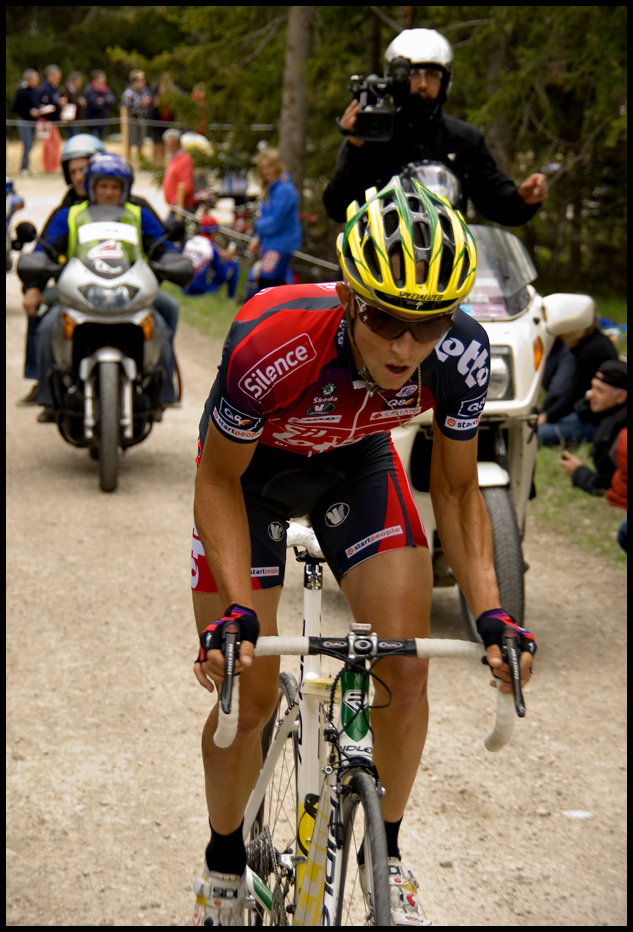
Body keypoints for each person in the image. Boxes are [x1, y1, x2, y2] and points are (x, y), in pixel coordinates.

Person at [190, 176, 536, 926]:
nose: (407, 346)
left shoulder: (462, 355)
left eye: (431, 322)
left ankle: (389, 853)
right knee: (244, 691)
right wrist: (240, 612)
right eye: (385, 319)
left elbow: (454, 492)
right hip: (249, 483)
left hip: (357, 467)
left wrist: (492, 617)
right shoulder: (273, 336)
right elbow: (216, 478)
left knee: (404, 668)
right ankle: (222, 865)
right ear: (349, 297)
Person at [323, 28, 547, 225]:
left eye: (431, 75)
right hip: (377, 264)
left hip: (444, 264)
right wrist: (355, 148)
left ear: (445, 81)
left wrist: (521, 198)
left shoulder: (464, 139)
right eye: (413, 75)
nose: (422, 84)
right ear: (393, 79)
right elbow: (338, 208)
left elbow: (495, 201)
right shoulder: (372, 134)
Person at [17, 134, 179, 406]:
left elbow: (162, 245)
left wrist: (174, 260)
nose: (108, 191)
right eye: (101, 185)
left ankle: (160, 388)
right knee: (47, 327)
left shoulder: (138, 211)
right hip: (79, 288)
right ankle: (47, 391)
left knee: (164, 316)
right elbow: (44, 248)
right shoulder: (69, 212)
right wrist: (33, 282)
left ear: (124, 187)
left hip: (131, 288)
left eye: (114, 186)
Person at [537, 314, 618, 445]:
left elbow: (572, 395)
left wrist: (546, 417)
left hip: (594, 422)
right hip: (588, 414)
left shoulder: (590, 352)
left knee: (535, 434)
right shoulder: (598, 341)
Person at [558, 360, 627, 494]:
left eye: (599, 391)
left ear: (620, 397)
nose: (590, 394)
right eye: (593, 387)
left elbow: (608, 487)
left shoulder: (613, 431)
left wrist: (579, 473)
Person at [245, 148, 302, 297]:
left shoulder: (285, 190)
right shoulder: (270, 190)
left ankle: (268, 314)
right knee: (275, 282)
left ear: (277, 166)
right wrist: (257, 238)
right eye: (263, 168)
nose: (266, 171)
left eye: (269, 167)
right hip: (271, 243)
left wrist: (257, 226)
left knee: (267, 280)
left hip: (281, 244)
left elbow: (274, 222)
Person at [182, 214, 239, 298]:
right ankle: (231, 297)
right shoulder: (211, 247)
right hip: (199, 290)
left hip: (183, 287)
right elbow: (222, 274)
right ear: (213, 231)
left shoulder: (191, 241)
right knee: (234, 263)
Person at [37, 65, 65, 173]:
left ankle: (53, 166)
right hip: (45, 121)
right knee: (48, 144)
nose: (59, 77)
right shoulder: (45, 88)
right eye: (57, 75)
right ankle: (49, 167)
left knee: (55, 143)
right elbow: (43, 104)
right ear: (50, 75)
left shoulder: (53, 88)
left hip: (52, 121)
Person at [12, 69, 41, 175]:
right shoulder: (21, 91)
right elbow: (16, 107)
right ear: (28, 79)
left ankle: (27, 166)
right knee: (27, 143)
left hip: (33, 121)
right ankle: (23, 167)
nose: (37, 80)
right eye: (35, 78)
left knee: (32, 143)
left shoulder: (36, 91)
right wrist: (29, 111)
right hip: (24, 120)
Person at [120, 70, 152, 161]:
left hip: (142, 118)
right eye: (139, 81)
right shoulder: (129, 93)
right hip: (132, 119)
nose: (141, 83)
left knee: (140, 141)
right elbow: (127, 107)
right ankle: (128, 160)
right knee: (130, 141)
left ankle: (141, 161)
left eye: (142, 81)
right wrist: (141, 104)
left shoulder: (145, 91)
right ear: (134, 82)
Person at [162, 128, 196, 213]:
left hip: (182, 208)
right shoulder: (173, 158)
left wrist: (175, 201)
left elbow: (187, 185)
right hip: (175, 207)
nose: (169, 147)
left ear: (178, 144)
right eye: (167, 144)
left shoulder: (184, 160)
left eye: (172, 144)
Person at [83, 70, 117, 140]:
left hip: (103, 120)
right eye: (102, 78)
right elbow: (93, 104)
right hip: (92, 121)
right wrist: (105, 101)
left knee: (101, 140)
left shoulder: (105, 89)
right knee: (94, 140)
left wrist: (103, 100)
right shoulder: (89, 89)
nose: (104, 80)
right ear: (96, 79)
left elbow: (113, 100)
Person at [58, 72, 86, 137]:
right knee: (72, 136)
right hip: (69, 119)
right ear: (74, 81)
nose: (80, 84)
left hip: (76, 118)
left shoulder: (76, 91)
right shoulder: (66, 90)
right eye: (79, 81)